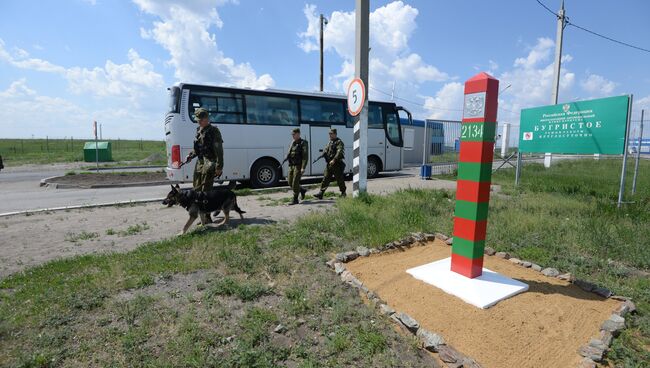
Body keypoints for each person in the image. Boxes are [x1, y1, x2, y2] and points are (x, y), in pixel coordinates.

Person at [184, 107, 224, 223]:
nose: (199, 121)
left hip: (210, 163)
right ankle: (201, 216)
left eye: (201, 119)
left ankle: (207, 217)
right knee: (196, 190)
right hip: (200, 163)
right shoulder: (199, 130)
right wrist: (190, 155)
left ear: (207, 118)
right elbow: (198, 149)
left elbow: (219, 151)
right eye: (198, 120)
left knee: (206, 191)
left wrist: (219, 166)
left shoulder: (214, 131)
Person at [314, 128, 346, 199]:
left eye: (331, 134)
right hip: (329, 164)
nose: (330, 135)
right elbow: (326, 150)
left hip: (337, 164)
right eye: (329, 134)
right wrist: (323, 154)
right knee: (326, 178)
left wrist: (334, 159)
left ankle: (343, 193)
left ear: (335, 134)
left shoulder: (339, 142)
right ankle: (321, 193)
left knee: (339, 179)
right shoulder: (329, 142)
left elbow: (339, 151)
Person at [285, 128, 308, 205]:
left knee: (295, 182)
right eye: (292, 134)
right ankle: (302, 190)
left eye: (294, 134)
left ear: (298, 134)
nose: (292, 136)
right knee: (290, 182)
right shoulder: (292, 143)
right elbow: (290, 153)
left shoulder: (303, 143)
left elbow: (305, 156)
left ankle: (295, 199)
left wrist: (303, 167)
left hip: (298, 165)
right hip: (291, 165)